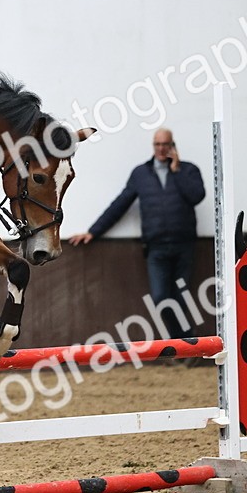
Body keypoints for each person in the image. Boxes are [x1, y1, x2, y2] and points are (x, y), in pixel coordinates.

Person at [68, 128, 206, 339]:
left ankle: (185, 343)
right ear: (153, 146)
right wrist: (93, 232)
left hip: (184, 245)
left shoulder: (188, 170)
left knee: (180, 298)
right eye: (157, 144)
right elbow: (120, 204)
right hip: (156, 247)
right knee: (160, 298)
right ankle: (181, 340)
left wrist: (177, 170)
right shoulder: (141, 173)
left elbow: (197, 196)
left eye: (165, 144)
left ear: (173, 146)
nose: (161, 149)